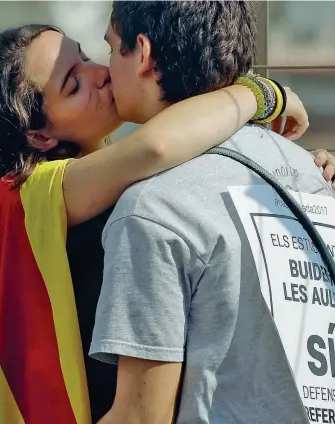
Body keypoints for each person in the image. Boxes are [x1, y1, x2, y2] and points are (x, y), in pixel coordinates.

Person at [0, 22, 332, 424]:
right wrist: (262, 93)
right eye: (74, 85)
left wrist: (301, 175)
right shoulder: (29, 193)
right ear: (39, 138)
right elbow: (157, 145)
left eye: (86, 57)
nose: (100, 74)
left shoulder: (107, 182)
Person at [89, 2, 335, 424]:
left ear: (143, 55)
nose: (104, 70)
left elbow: (141, 416)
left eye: (112, 49)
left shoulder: (154, 207)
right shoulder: (316, 176)